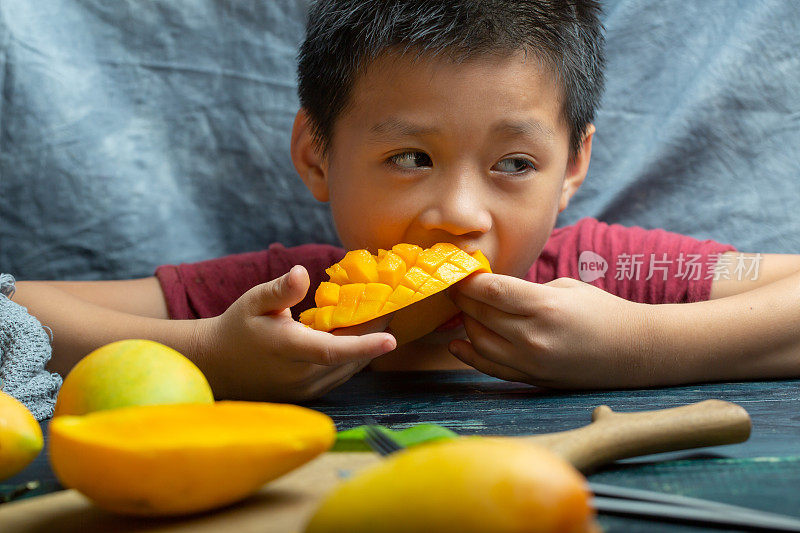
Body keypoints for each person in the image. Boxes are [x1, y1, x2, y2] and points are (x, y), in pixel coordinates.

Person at [14, 0, 800, 403]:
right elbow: (15, 316)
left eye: (515, 162)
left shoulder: (601, 273)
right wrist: (216, 354)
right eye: (411, 157)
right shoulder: (286, 303)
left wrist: (635, 345)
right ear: (316, 155)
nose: (460, 211)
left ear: (574, 165)